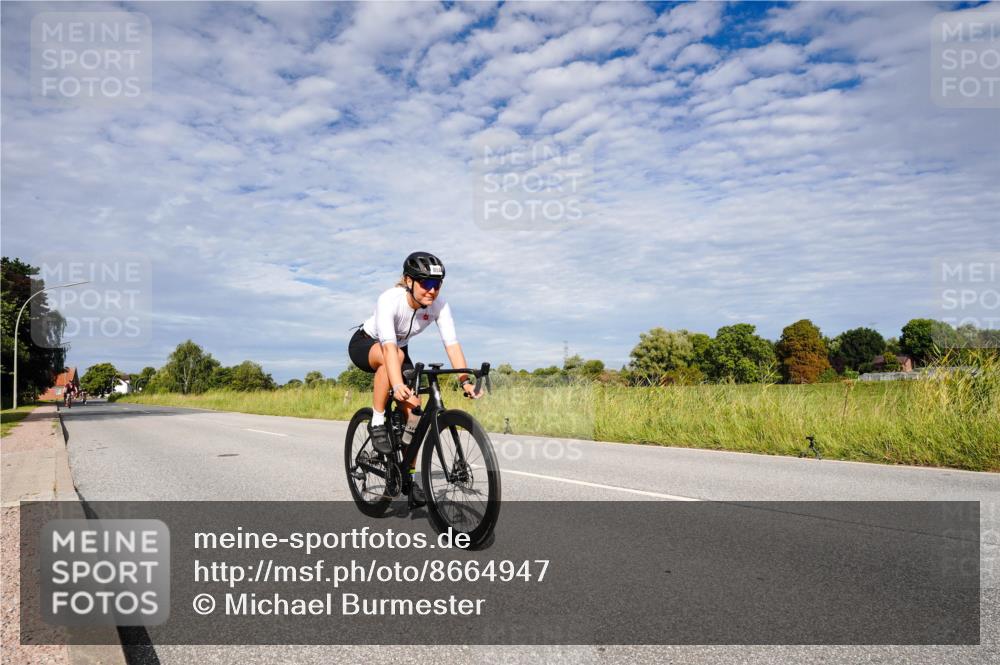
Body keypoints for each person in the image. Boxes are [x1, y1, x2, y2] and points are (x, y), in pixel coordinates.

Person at [348, 251, 482, 506]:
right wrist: (397, 385)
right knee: (395, 358)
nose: (432, 290)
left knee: (415, 413)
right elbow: (388, 349)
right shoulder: (390, 299)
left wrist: (465, 380)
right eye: (426, 283)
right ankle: (377, 422)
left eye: (437, 284)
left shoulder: (439, 306)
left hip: (398, 349)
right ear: (409, 281)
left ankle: (406, 477)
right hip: (368, 344)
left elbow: (452, 345)